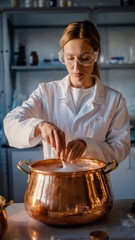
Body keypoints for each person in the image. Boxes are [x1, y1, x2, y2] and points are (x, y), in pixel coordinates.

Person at [3, 20, 130, 165]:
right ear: (63, 55)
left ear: (96, 55)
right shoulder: (46, 92)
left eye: (84, 58)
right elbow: (10, 124)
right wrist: (40, 126)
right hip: (54, 182)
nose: (76, 67)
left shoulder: (114, 100)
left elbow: (121, 148)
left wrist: (88, 145)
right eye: (69, 58)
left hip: (92, 184)